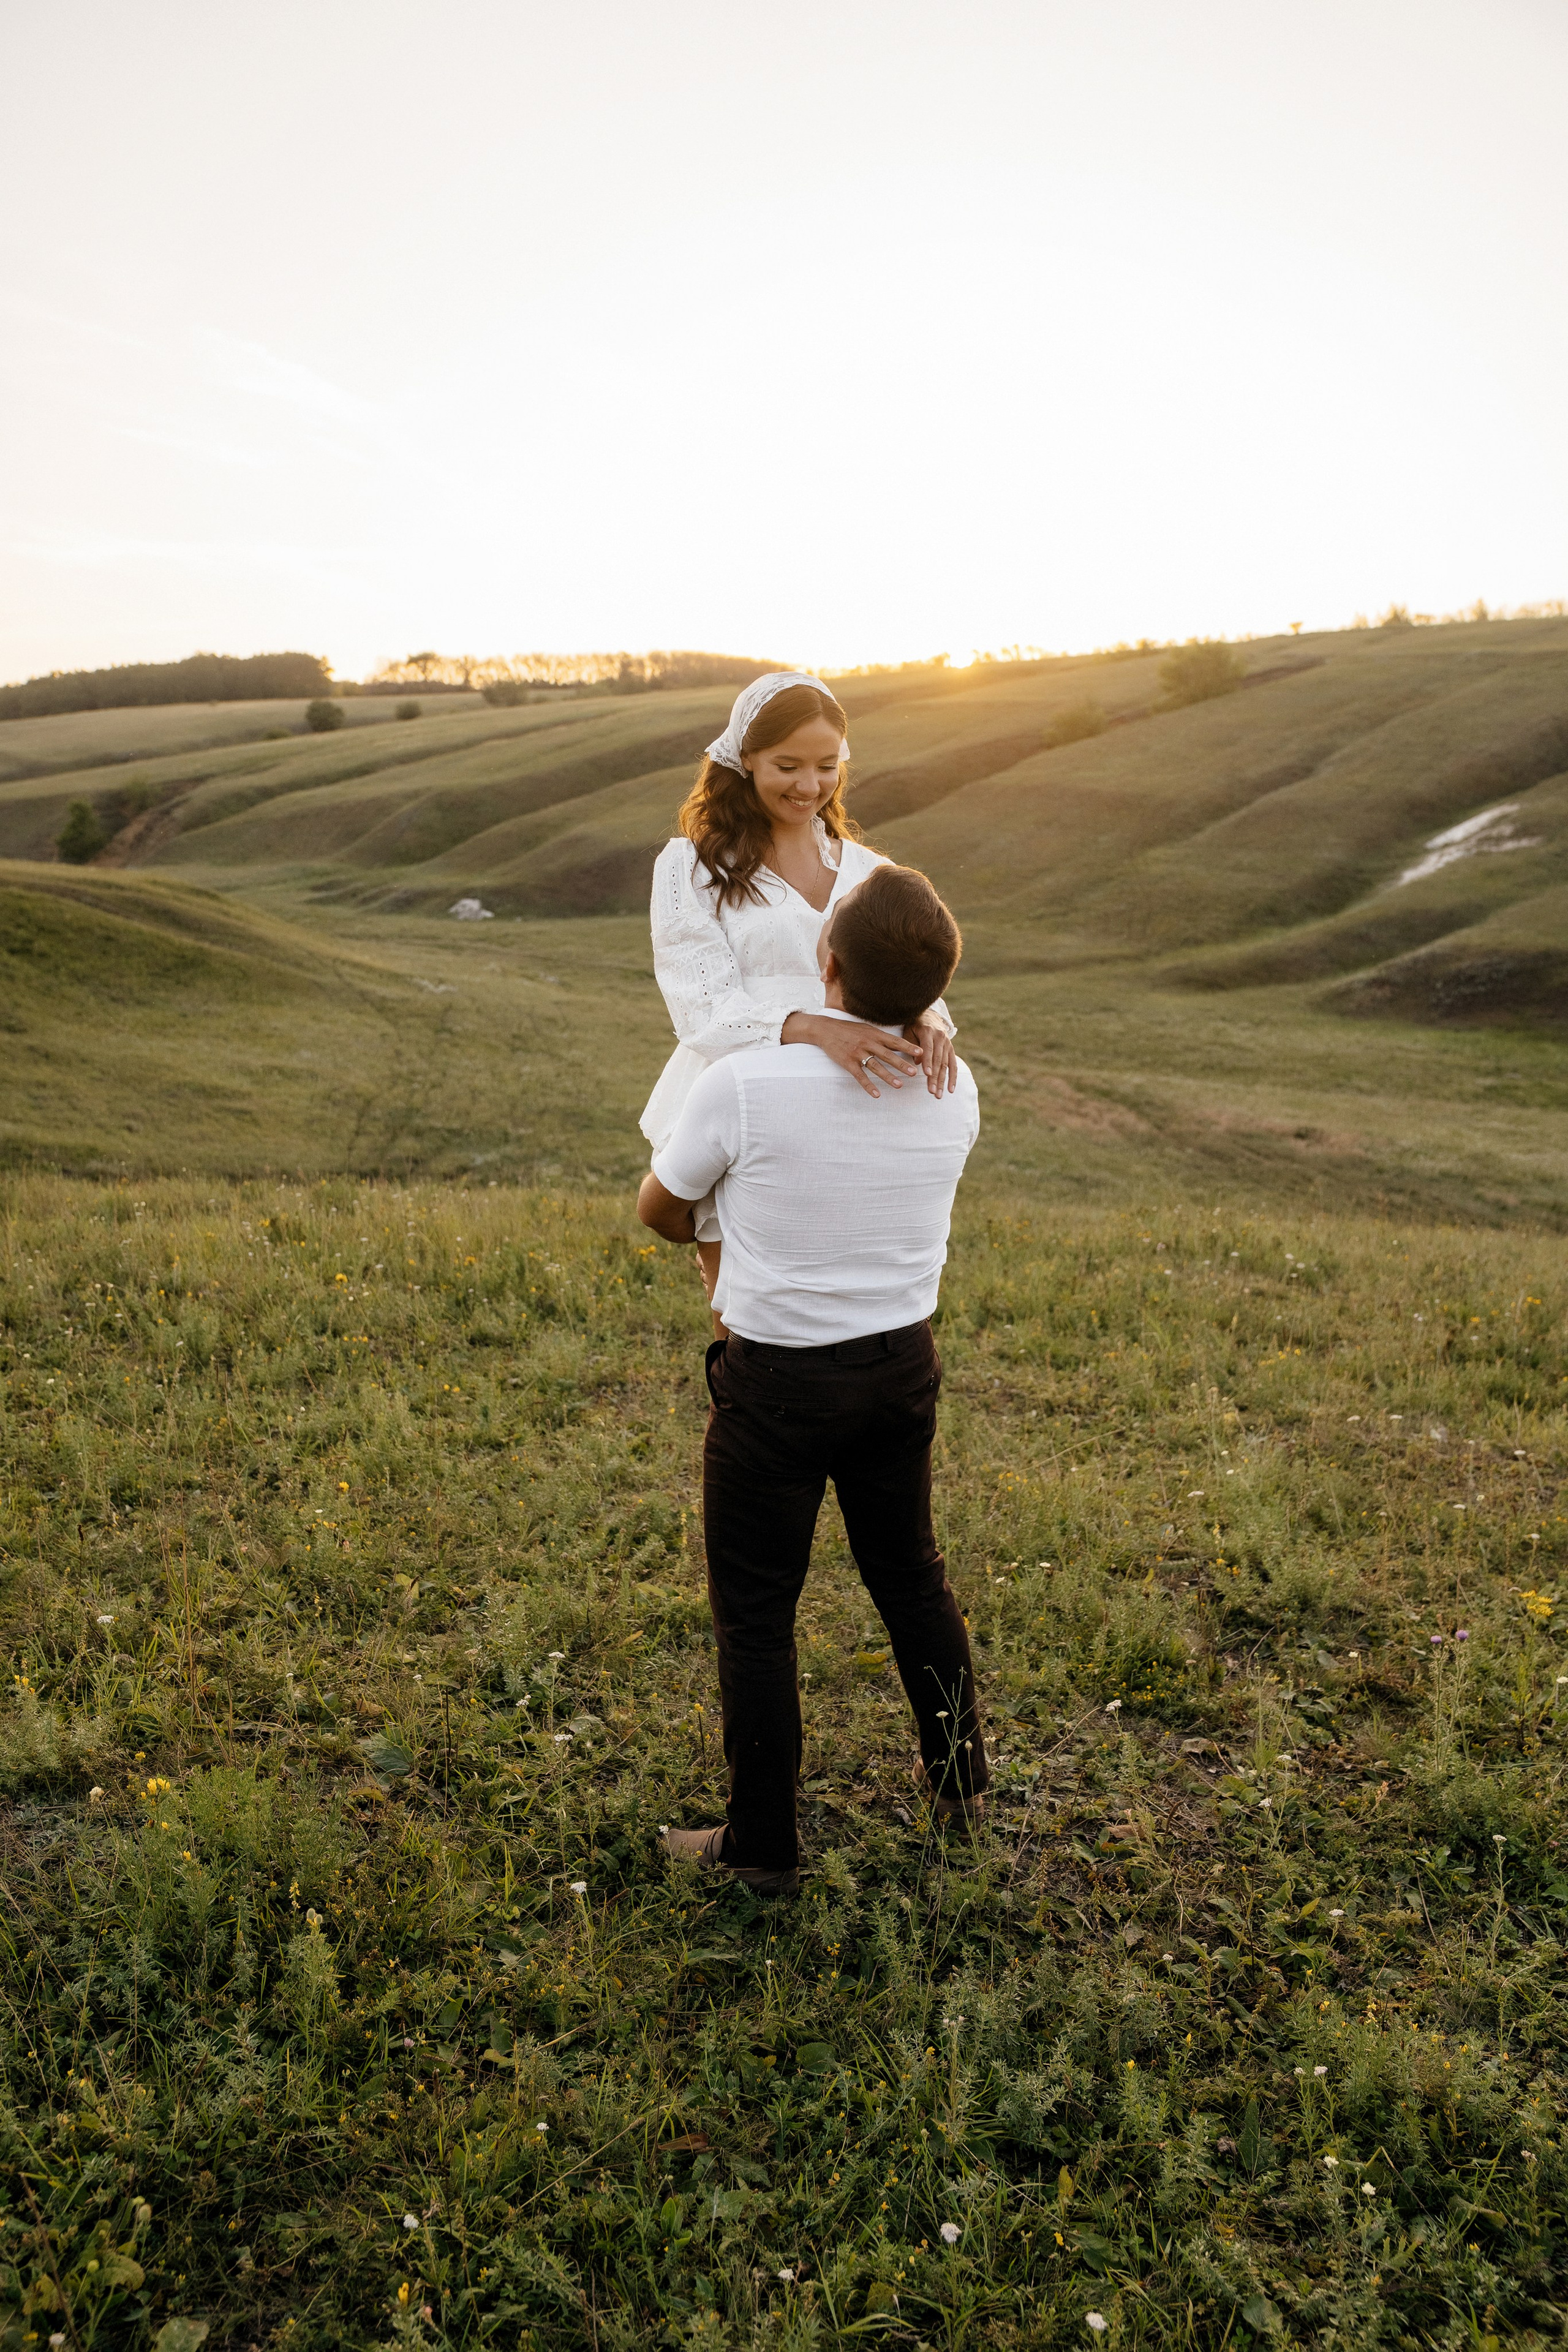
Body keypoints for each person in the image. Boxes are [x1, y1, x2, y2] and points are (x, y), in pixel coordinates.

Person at [636, 862, 988, 1896]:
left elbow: (660, 1208)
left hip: (780, 1382)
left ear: (823, 963)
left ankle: (761, 1850)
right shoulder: (953, 1081)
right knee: (911, 1577)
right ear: (935, 988)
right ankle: (960, 1786)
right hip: (902, 1366)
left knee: (757, 1613)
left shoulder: (744, 1083)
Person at [641, 671, 958, 1323]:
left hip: (853, 1103)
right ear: (743, 757)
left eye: (826, 766)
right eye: (787, 765)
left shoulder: (869, 871)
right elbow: (700, 1007)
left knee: (855, 1302)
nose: (809, 786)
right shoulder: (693, 867)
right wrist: (812, 1028)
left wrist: (927, 1018)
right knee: (749, 1318)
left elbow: (905, 969)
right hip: (741, 1096)